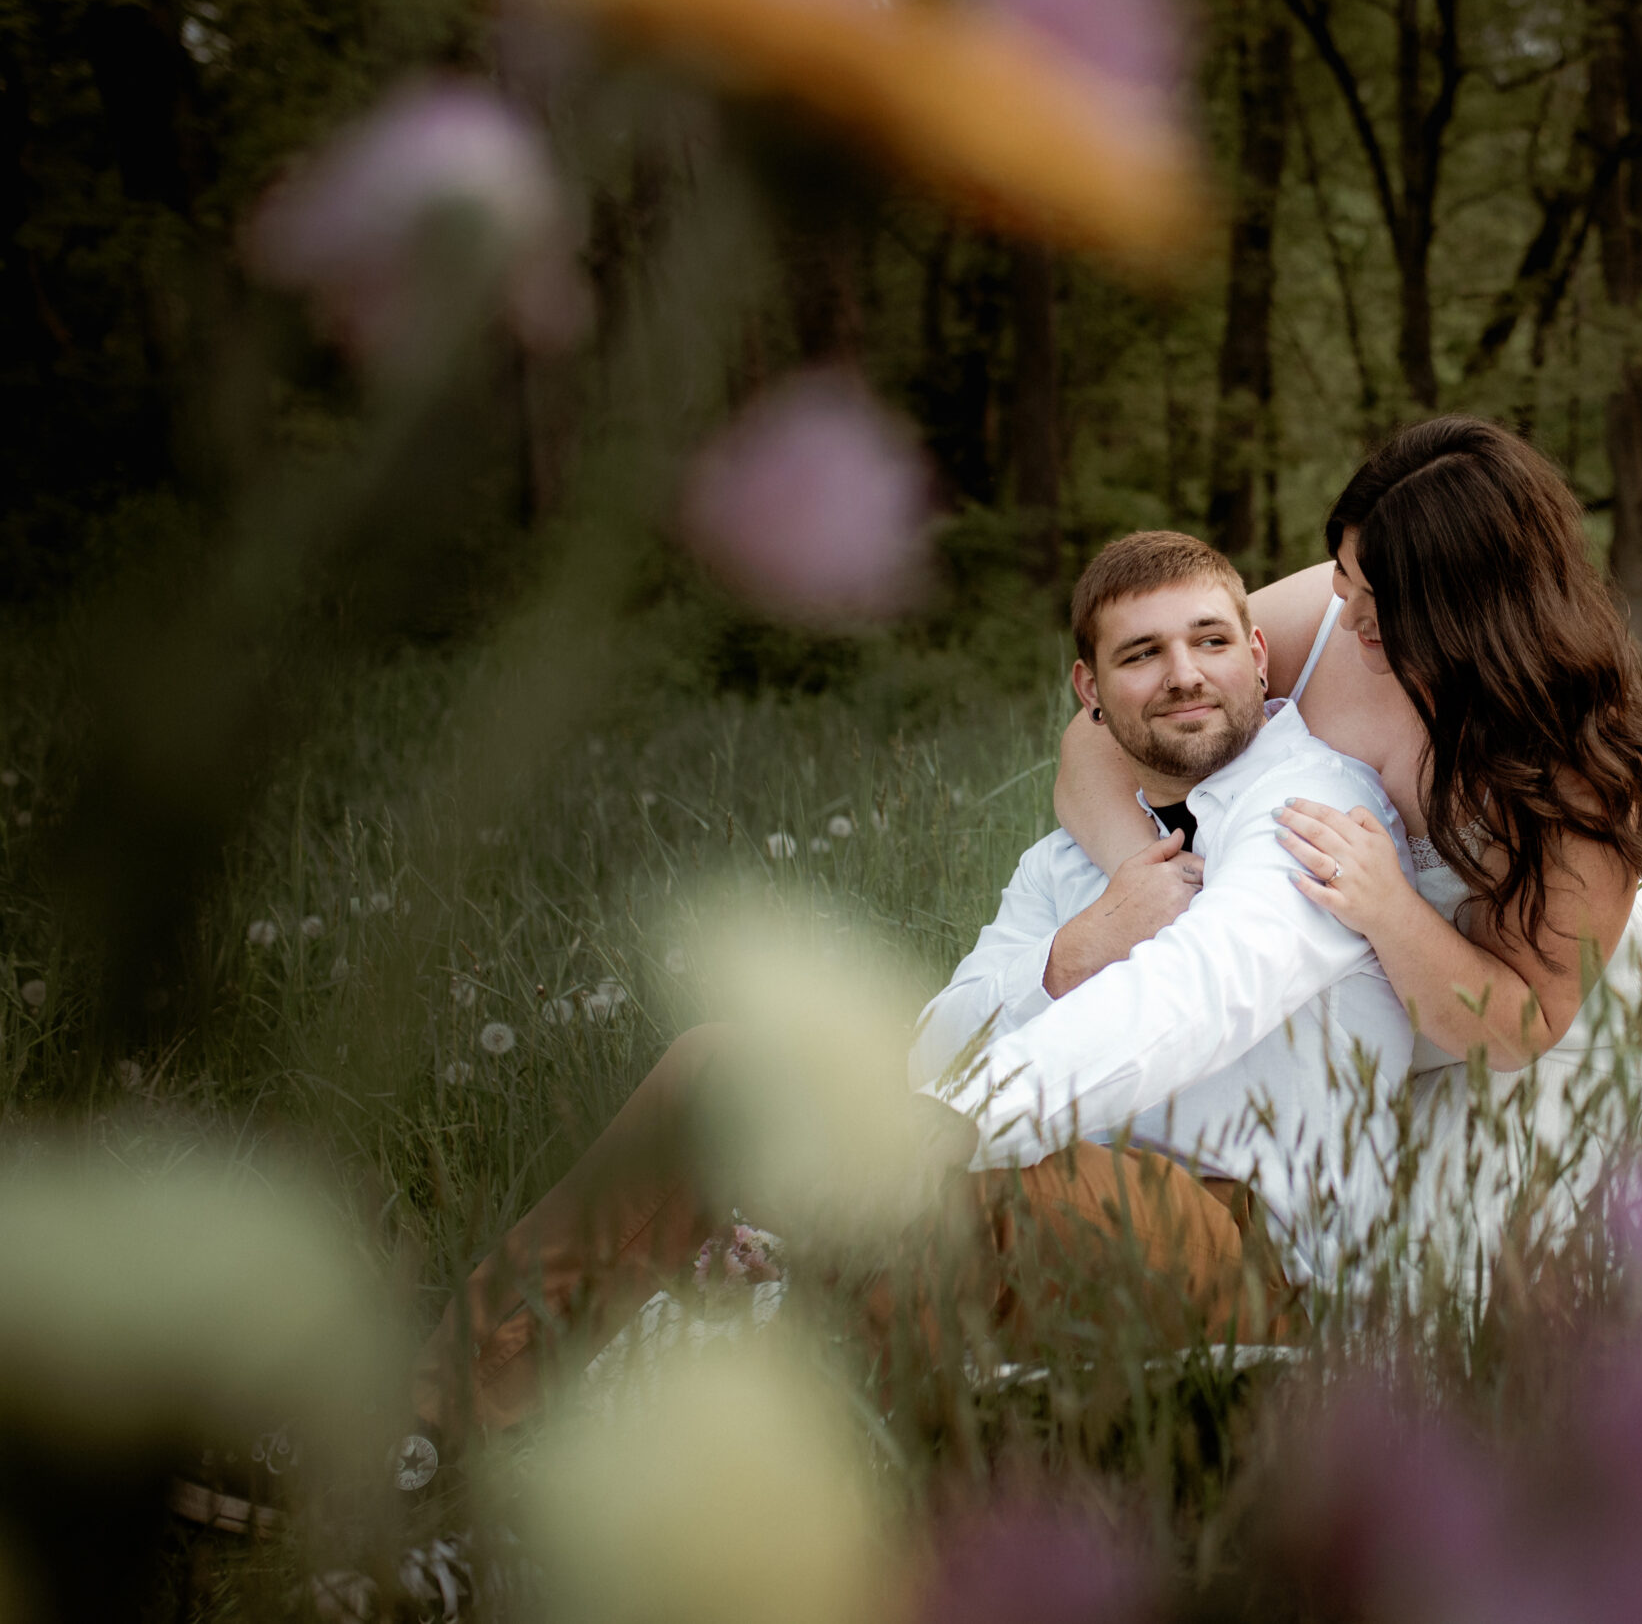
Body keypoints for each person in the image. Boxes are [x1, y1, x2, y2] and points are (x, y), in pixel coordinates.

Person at [409, 532, 1413, 1450]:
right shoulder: (1064, 869)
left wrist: (938, 1130)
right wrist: (1069, 958)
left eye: (1208, 641)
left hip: (1227, 1240)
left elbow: (1189, 999)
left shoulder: (1315, 807)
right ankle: (443, 1430)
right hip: (1040, 1184)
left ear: (1260, 659)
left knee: (933, 1198)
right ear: (1089, 691)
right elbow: (936, 1039)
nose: (1184, 674)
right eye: (1141, 653)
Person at [1055, 416, 1642, 1283]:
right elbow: (1097, 733)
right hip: (1366, 1006)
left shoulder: (1573, 770)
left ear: (1468, 612)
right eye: (1344, 577)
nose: (1346, 614)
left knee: (1428, 1297)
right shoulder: (1337, 614)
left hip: (1548, 1017)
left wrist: (1387, 906)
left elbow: (1522, 1023)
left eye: (1379, 604)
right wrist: (1148, 880)